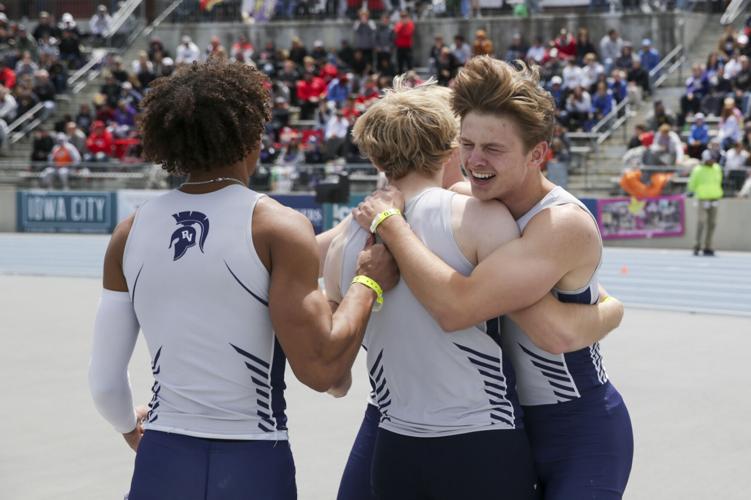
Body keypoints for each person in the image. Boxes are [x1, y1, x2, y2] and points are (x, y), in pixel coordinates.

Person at [88, 60, 399, 500]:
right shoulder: (276, 226)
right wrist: (367, 284)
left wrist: (128, 426)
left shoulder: (128, 233)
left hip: (163, 456)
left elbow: (103, 382)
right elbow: (321, 368)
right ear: (252, 137)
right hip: (254, 458)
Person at [352, 56, 633, 499]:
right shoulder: (468, 200)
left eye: (494, 150)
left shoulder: (560, 224)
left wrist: (390, 223)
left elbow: (462, 309)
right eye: (467, 145)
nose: (475, 162)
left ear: (538, 153)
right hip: (504, 421)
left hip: (576, 429)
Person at [688, 150, 724, 256]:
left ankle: (708, 246)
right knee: (701, 222)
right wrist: (699, 193)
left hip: (714, 199)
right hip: (702, 199)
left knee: (712, 224)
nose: (712, 161)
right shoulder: (698, 170)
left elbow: (719, 181)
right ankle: (697, 245)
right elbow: (692, 184)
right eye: (710, 159)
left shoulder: (717, 168)